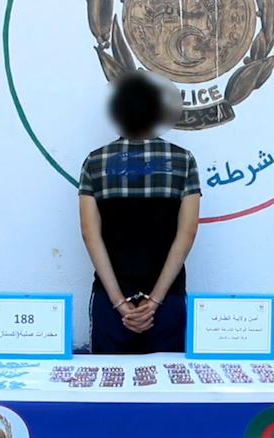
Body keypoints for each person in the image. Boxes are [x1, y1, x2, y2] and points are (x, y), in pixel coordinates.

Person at [79, 72, 201, 354]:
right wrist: (155, 301)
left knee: (108, 379)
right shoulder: (183, 161)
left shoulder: (94, 162)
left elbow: (90, 234)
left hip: (110, 301)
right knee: (166, 380)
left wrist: (119, 303)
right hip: (167, 299)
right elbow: (187, 233)